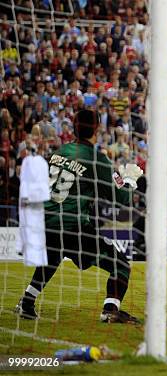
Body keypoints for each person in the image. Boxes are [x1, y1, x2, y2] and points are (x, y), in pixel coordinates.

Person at [16, 110, 143, 323]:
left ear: (74, 128)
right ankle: (110, 309)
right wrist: (129, 181)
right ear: (97, 129)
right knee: (120, 265)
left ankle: (27, 302)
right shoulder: (96, 159)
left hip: (45, 221)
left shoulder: (59, 152)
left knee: (54, 257)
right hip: (72, 224)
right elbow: (121, 198)